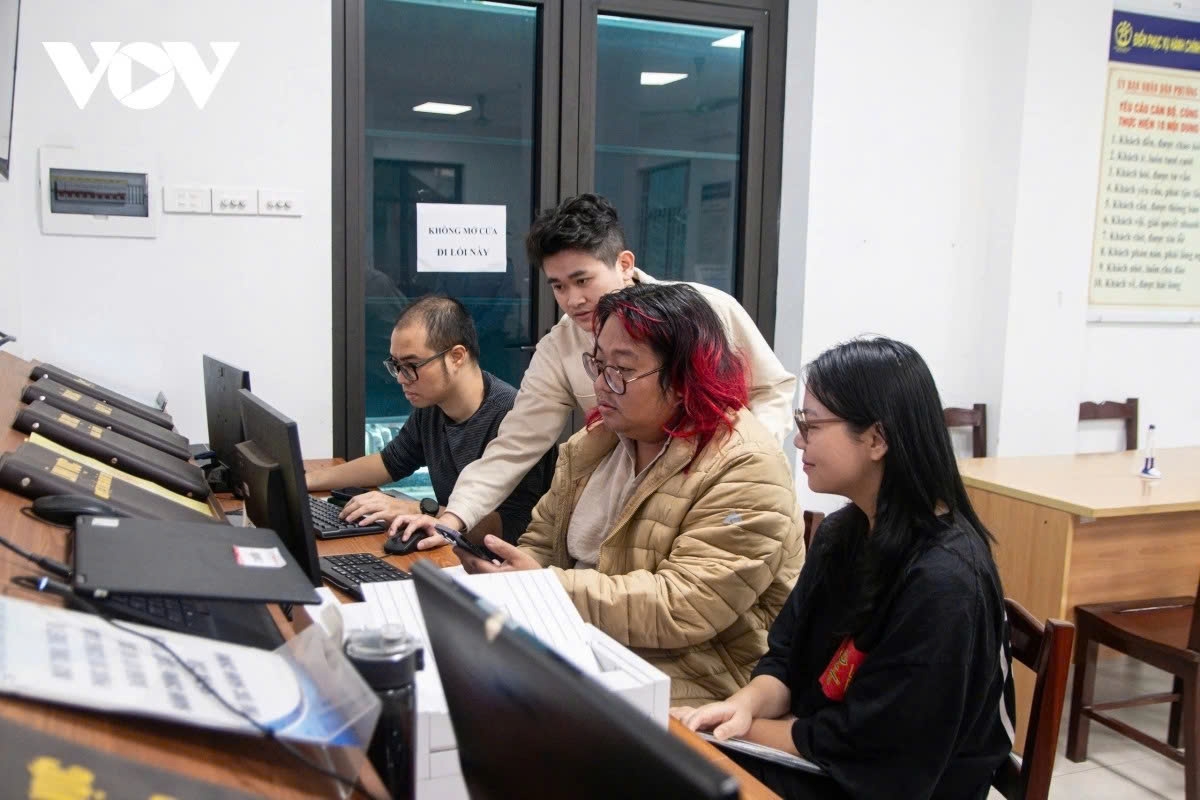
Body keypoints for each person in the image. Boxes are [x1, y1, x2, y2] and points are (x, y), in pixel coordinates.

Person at [394, 283, 805, 704]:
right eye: (597, 364)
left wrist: (540, 588)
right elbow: (541, 544)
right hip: (587, 649)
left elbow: (682, 607)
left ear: (684, 378)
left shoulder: (744, 465)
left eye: (622, 370)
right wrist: (504, 575)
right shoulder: (594, 445)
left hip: (692, 682)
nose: (602, 384)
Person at [673, 337, 1016, 800]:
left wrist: (748, 730)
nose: (799, 439)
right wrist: (742, 705)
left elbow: (883, 753)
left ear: (876, 439)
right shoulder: (844, 533)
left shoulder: (946, 582)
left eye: (811, 425)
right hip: (823, 753)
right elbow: (785, 658)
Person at [420, 193, 796, 541]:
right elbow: (515, 444)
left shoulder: (703, 310)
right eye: (559, 286)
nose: (573, 300)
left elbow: (772, 388)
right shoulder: (560, 346)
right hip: (638, 511)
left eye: (582, 280)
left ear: (624, 263)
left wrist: (736, 463)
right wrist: (453, 519)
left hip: (723, 500)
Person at [306, 296, 553, 545]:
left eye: (412, 365)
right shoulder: (433, 406)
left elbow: (512, 528)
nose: (401, 378)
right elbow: (390, 462)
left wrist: (418, 510)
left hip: (506, 567)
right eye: (396, 365)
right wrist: (308, 480)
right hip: (454, 549)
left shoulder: (515, 417)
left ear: (457, 356)